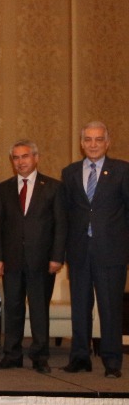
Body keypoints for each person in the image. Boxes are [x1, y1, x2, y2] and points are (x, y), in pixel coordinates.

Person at [60, 121, 129, 378]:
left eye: (98, 139)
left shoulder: (122, 170)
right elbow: (66, 214)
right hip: (79, 251)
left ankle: (112, 361)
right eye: (88, 139)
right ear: (81, 143)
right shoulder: (69, 172)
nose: (93, 144)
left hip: (111, 252)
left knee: (110, 308)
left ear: (107, 143)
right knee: (80, 307)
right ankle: (80, 357)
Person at [0, 139, 66, 372]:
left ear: (36, 158)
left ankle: (40, 356)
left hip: (42, 261)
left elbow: (61, 225)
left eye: (25, 156)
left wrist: (57, 257)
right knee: (13, 308)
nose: (20, 161)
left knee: (39, 310)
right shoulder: (3, 188)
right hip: (11, 260)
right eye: (16, 157)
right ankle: (12, 355)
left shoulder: (53, 187)